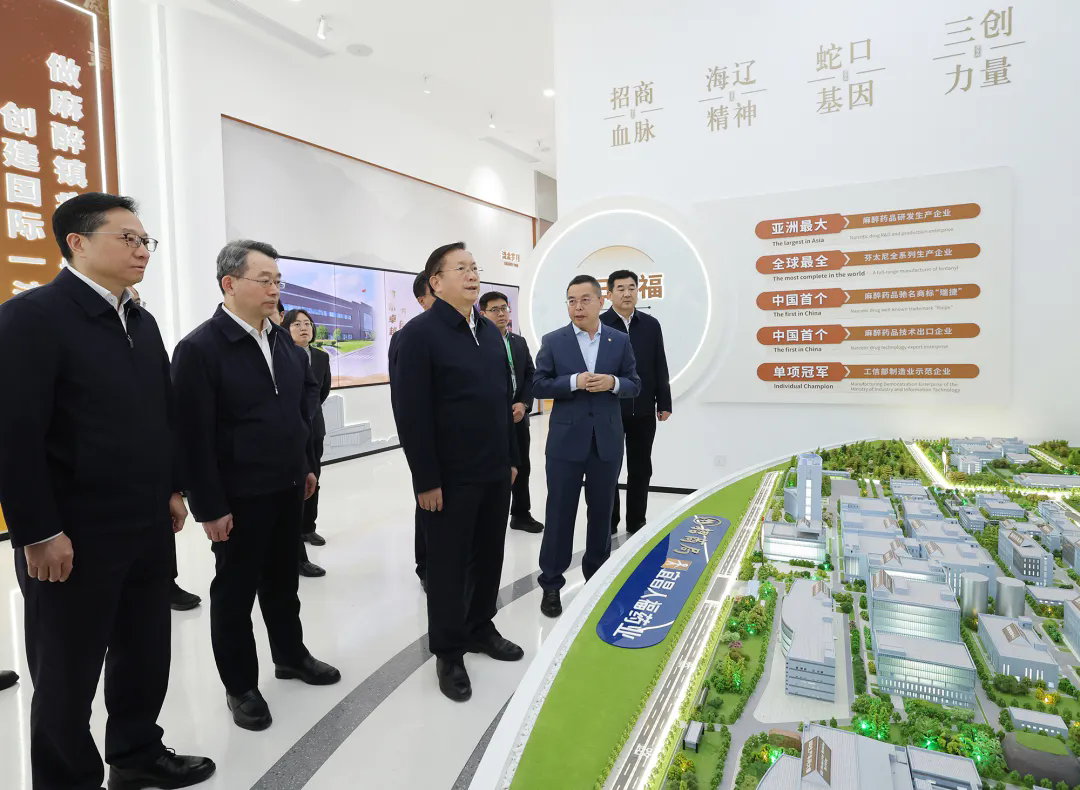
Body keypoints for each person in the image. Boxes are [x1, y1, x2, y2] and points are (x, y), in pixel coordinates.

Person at [0, 193, 215, 789]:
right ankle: (66, 779)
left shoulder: (140, 322)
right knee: (66, 672)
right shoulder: (31, 318)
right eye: (128, 238)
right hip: (72, 533)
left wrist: (172, 489)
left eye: (146, 241)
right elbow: (13, 436)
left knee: (144, 650)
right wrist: (38, 531)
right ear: (77, 242)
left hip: (145, 523)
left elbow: (161, 415)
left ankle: (136, 752)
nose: (143, 251)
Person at [171, 240, 340, 732]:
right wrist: (208, 505)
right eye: (264, 280)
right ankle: (241, 685)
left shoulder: (284, 343)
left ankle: (290, 656)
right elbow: (191, 436)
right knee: (235, 593)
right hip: (237, 497)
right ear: (229, 283)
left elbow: (297, 414)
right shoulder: (200, 349)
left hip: (287, 486)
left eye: (277, 281)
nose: (274, 289)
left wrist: (305, 465)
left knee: (283, 582)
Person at [391, 243, 522, 702]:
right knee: (447, 567)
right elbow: (411, 415)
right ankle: (448, 652)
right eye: (460, 268)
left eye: (474, 268)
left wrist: (511, 458)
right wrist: (425, 480)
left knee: (488, 555)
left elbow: (501, 402)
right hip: (448, 478)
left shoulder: (489, 332)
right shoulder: (418, 336)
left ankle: (480, 626)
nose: (472, 275)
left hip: (493, 469)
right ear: (436, 281)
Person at [532, 274, 640, 618]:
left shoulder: (618, 341)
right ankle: (551, 584)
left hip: (606, 442)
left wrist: (613, 383)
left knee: (602, 514)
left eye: (584, 300)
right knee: (559, 514)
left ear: (600, 302)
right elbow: (538, 385)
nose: (577, 307)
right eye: (571, 301)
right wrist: (573, 382)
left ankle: (597, 580)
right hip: (565, 443)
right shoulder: (554, 341)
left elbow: (634, 384)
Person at [129, 285, 203, 612]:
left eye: (137, 302)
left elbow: (166, 410)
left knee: (159, 541)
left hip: (153, 472)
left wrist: (174, 487)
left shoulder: (145, 328)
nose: (134, 307)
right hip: (99, 492)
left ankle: (166, 583)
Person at [600, 270, 672, 535]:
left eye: (632, 288)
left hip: (643, 408)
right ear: (609, 294)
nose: (627, 293)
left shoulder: (651, 325)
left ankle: (636, 520)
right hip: (609, 408)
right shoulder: (600, 324)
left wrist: (664, 401)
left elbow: (659, 363)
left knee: (641, 467)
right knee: (609, 467)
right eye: (620, 288)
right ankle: (609, 521)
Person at [479, 291, 542, 533]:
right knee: (494, 468)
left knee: (522, 466)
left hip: (518, 415)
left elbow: (530, 374)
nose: (501, 314)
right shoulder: (478, 343)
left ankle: (521, 514)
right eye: (494, 310)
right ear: (482, 313)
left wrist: (524, 403)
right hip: (492, 418)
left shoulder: (518, 341)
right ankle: (490, 516)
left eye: (504, 308)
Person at [389, 271, 436, 591]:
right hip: (429, 446)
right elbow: (407, 406)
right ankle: (427, 567)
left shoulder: (472, 333)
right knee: (429, 508)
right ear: (423, 300)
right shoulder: (410, 337)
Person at [285, 308, 332, 576]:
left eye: (307, 324)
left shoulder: (321, 357)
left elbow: (322, 390)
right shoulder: (283, 355)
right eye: (297, 324)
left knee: (314, 477)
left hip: (314, 429)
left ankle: (308, 527)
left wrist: (310, 414)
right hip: (291, 431)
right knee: (296, 483)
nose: (304, 328)